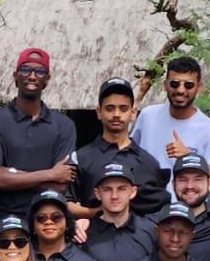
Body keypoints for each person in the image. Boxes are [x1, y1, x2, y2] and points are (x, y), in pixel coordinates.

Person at [0, 47, 77, 229]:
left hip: (46, 222)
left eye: (39, 71)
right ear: (15, 76)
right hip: (4, 220)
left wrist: (12, 174)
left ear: (47, 79)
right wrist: (50, 174)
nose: (32, 76)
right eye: (25, 70)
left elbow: (61, 185)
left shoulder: (64, 126)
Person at [130, 56, 210, 195]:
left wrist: (190, 156)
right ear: (165, 85)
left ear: (199, 87)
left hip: (186, 208)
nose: (181, 90)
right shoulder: (147, 116)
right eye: (174, 84)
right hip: (145, 205)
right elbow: (130, 158)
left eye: (188, 85)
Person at [71, 78, 169, 218]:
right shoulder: (81, 158)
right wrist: (94, 214)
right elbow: (65, 203)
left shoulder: (149, 163)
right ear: (99, 112)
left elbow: (159, 211)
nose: (116, 114)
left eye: (123, 109)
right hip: (92, 231)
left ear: (133, 113)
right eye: (110, 108)